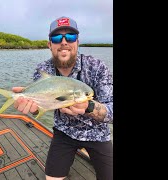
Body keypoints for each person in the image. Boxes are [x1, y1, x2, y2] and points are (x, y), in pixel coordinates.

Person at [12, 16, 113, 180]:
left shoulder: (97, 67)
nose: (64, 42)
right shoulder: (43, 69)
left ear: (77, 42)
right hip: (63, 132)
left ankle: (87, 149)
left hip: (97, 134)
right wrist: (31, 105)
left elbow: (112, 111)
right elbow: (40, 104)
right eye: (57, 38)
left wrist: (89, 107)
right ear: (49, 44)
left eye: (70, 37)